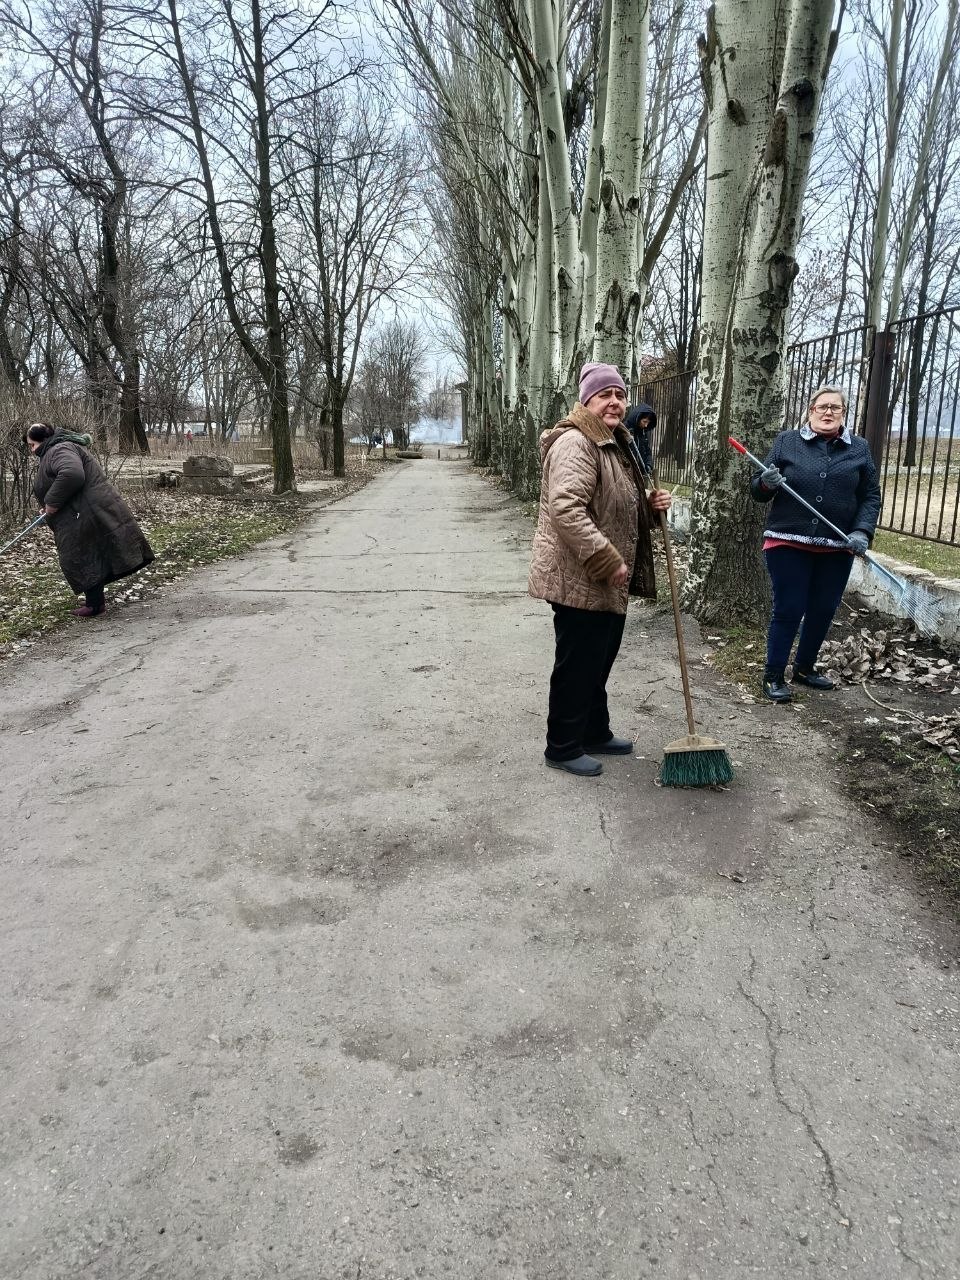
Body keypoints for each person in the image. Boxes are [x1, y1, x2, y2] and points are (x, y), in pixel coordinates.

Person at [528, 362, 672, 777]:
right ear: (586, 400)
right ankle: (562, 745)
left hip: (603, 577)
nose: (614, 401)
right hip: (578, 575)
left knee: (599, 657)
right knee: (578, 663)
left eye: (620, 395)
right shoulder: (577, 443)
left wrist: (647, 507)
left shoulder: (613, 442)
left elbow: (613, 507)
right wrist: (606, 558)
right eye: (604, 394)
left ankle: (593, 730)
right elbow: (566, 508)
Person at [750, 385, 881, 703]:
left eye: (835, 408)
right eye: (822, 407)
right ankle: (773, 675)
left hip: (838, 544)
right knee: (790, 607)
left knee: (823, 609)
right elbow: (757, 488)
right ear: (810, 411)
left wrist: (862, 531)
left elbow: (870, 496)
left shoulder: (859, 449)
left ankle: (805, 669)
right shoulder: (787, 442)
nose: (828, 413)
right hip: (788, 540)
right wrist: (767, 482)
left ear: (844, 414)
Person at [25, 422, 155, 618]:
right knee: (86, 553)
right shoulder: (57, 448)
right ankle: (95, 603)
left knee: (80, 554)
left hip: (86, 511)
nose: (32, 450)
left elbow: (72, 473)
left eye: (32, 445)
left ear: (43, 440)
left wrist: (51, 502)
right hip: (80, 511)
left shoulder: (59, 448)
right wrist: (49, 504)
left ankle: (95, 604)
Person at [624, 401, 657, 476]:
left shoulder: (642, 433)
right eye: (644, 421)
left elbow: (647, 451)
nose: (646, 425)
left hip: (640, 473)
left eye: (648, 423)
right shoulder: (624, 430)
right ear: (637, 418)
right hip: (627, 474)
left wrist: (648, 465)